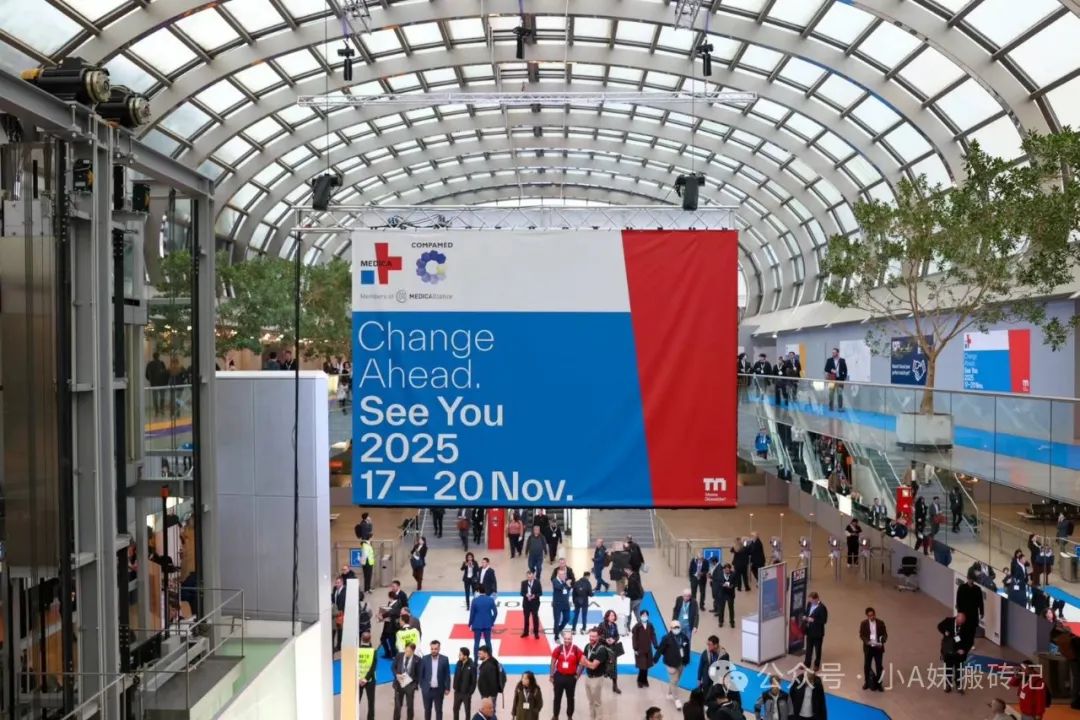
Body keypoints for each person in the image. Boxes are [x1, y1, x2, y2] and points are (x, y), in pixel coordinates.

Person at [654, 621, 690, 710]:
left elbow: (687, 649)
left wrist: (686, 660)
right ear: (670, 628)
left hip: (681, 663)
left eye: (678, 627)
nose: (676, 629)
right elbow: (660, 650)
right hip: (671, 664)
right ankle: (676, 700)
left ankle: (670, 693)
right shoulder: (666, 638)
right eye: (674, 627)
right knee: (674, 681)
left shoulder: (684, 637)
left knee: (675, 680)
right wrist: (655, 659)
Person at [937, 611, 975, 694]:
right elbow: (939, 626)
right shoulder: (948, 621)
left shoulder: (967, 626)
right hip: (949, 650)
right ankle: (948, 685)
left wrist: (964, 650)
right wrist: (945, 631)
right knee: (948, 669)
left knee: (959, 670)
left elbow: (970, 641)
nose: (960, 624)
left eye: (962, 623)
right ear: (956, 618)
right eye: (959, 622)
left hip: (960, 653)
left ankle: (959, 686)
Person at [550, 630, 584, 720]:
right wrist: (551, 675)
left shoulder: (576, 649)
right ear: (563, 639)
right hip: (559, 676)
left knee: (570, 698)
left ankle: (569, 716)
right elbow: (553, 661)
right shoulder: (559, 648)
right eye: (565, 639)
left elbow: (582, 662)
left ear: (572, 639)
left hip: (571, 678)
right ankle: (555, 715)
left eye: (569, 639)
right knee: (557, 697)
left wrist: (578, 675)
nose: (567, 640)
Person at [582, 628, 612, 720]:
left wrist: (584, 662)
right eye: (590, 636)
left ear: (598, 637)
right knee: (590, 701)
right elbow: (583, 662)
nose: (591, 638)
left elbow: (593, 666)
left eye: (594, 636)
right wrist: (578, 674)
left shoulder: (601, 650)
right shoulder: (587, 646)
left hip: (597, 679)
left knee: (597, 703)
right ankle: (592, 718)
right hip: (588, 677)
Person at [420, 640, 451, 720]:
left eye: (435, 649)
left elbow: (447, 674)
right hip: (427, 690)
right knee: (427, 710)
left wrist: (447, 688)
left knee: (439, 710)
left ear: (439, 649)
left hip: (439, 690)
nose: (433, 651)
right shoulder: (424, 659)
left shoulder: (444, 659)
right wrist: (422, 686)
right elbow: (421, 674)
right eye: (432, 649)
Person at [858, 607, 887, 692]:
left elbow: (885, 634)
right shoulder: (863, 624)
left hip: (878, 648)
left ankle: (879, 684)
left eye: (873, 615)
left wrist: (882, 641)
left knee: (879, 666)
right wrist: (867, 642)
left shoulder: (880, 623)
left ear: (875, 614)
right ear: (867, 616)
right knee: (867, 666)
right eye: (870, 615)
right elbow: (861, 635)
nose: (872, 617)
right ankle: (867, 682)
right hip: (868, 648)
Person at [393, 642, 421, 720]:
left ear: (413, 651)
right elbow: (393, 667)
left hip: (410, 686)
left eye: (409, 651)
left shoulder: (418, 660)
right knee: (397, 706)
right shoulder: (399, 655)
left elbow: (419, 674)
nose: (407, 652)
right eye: (406, 650)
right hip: (399, 684)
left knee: (410, 706)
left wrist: (414, 685)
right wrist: (396, 675)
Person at [469, 585, 497, 660]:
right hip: (487, 624)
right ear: (485, 590)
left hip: (477, 624)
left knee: (476, 643)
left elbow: (472, 614)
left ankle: (475, 660)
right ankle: (490, 658)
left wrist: (470, 623)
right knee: (488, 642)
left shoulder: (475, 600)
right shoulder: (490, 600)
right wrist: (491, 621)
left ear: (478, 591)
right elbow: (495, 612)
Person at [598, 610, 623, 694]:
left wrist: (614, 640)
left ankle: (615, 686)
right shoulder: (602, 625)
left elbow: (617, 636)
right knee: (602, 667)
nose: (613, 617)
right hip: (604, 649)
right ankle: (597, 685)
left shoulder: (614, 625)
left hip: (613, 649)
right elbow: (598, 636)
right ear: (607, 616)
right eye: (611, 615)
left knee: (614, 667)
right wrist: (606, 640)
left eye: (614, 615)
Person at [632, 610, 658, 688]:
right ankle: (640, 681)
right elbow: (634, 638)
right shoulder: (637, 626)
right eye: (643, 615)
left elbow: (653, 635)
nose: (644, 617)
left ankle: (645, 680)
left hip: (648, 649)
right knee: (642, 666)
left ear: (648, 616)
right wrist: (635, 648)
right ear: (640, 616)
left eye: (646, 615)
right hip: (640, 649)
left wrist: (655, 644)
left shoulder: (650, 625)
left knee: (646, 666)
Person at [802, 592, 828, 670]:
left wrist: (813, 620)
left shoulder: (822, 608)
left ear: (816, 599)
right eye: (810, 600)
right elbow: (806, 612)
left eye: (812, 600)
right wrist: (805, 616)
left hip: (818, 632)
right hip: (809, 630)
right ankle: (807, 663)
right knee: (808, 648)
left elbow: (824, 621)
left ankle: (816, 664)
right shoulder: (809, 604)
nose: (810, 602)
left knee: (817, 649)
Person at [453, 648, 477, 720]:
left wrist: (470, 692)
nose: (459, 656)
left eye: (460, 655)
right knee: (455, 709)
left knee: (467, 711)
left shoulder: (472, 666)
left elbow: (474, 681)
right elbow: (456, 675)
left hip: (466, 693)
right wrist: (455, 686)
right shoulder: (458, 663)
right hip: (457, 692)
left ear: (465, 656)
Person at [358, 631, 377, 720]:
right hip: (370, 680)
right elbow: (373, 667)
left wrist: (360, 679)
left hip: (358, 680)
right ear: (370, 639)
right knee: (371, 701)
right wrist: (366, 679)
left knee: (356, 701)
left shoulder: (356, 651)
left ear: (361, 639)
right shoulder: (373, 651)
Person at [713, 563, 737, 628]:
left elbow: (736, 583)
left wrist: (732, 586)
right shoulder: (720, 574)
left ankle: (732, 622)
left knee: (731, 608)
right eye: (725, 570)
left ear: (730, 569)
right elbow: (717, 582)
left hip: (730, 594)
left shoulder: (733, 574)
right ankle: (720, 622)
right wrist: (722, 584)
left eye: (728, 570)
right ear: (723, 569)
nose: (726, 571)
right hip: (722, 594)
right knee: (721, 609)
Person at [520, 569, 542, 639]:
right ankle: (526, 632)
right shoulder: (523, 583)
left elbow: (540, 593)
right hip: (526, 604)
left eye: (531, 577)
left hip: (535, 604)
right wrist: (526, 595)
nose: (529, 578)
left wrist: (534, 596)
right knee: (526, 618)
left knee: (535, 618)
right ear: (526, 576)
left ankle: (536, 633)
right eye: (528, 577)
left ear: (533, 576)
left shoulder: (537, 582)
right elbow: (522, 593)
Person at [552, 569, 572, 637]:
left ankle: (559, 629)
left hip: (566, 604)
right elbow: (559, 587)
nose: (563, 576)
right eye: (561, 574)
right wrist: (565, 583)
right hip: (557, 604)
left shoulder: (565, 581)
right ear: (558, 574)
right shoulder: (555, 581)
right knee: (557, 620)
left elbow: (568, 589)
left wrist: (569, 585)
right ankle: (556, 636)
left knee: (567, 618)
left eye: (564, 574)